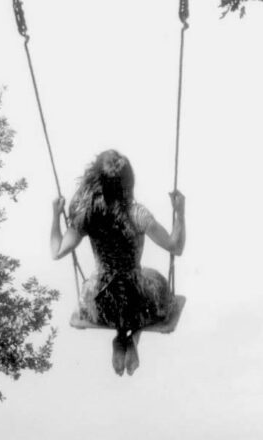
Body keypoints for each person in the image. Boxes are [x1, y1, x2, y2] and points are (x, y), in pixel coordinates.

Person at [49, 149, 186, 376]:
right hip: (139, 305)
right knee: (154, 282)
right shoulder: (138, 214)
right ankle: (133, 337)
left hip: (99, 307)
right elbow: (175, 247)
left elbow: (56, 251)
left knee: (111, 292)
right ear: (129, 181)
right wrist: (180, 213)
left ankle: (121, 337)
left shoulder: (88, 214)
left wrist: (56, 216)